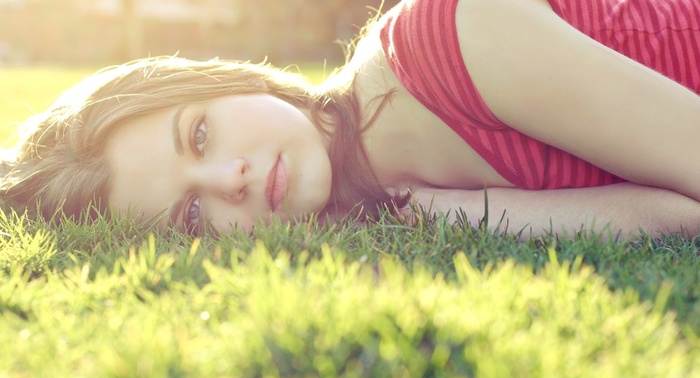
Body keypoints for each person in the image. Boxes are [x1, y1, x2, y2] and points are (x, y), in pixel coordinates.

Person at [2, 0, 700, 238]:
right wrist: (456, 210)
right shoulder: (388, 204)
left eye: (201, 134)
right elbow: (673, 221)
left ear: (230, 81)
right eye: (191, 215)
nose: (231, 179)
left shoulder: (454, 40)